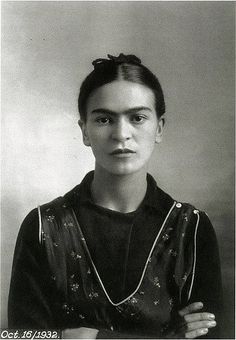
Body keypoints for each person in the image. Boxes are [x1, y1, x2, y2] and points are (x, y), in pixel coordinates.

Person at [8, 53, 223, 339]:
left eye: (137, 118)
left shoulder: (191, 228)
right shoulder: (43, 226)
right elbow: (19, 338)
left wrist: (87, 336)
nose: (122, 134)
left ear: (158, 127)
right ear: (84, 130)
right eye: (104, 119)